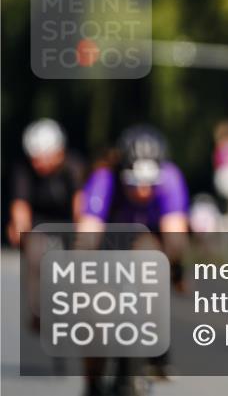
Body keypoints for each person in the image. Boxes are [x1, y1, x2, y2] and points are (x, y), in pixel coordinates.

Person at [77, 125, 190, 393]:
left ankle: (155, 349)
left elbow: (175, 234)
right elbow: (88, 231)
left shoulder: (171, 179)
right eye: (133, 182)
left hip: (147, 247)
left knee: (149, 260)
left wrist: (176, 270)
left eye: (148, 183)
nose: (141, 191)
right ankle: (92, 382)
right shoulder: (104, 179)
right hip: (106, 251)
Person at [9, 118, 87, 335]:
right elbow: (20, 204)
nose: (39, 164)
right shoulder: (23, 169)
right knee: (34, 252)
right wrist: (20, 229)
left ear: (59, 152)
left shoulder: (74, 167)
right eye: (35, 158)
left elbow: (80, 206)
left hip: (68, 222)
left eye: (44, 157)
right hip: (40, 223)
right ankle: (38, 309)